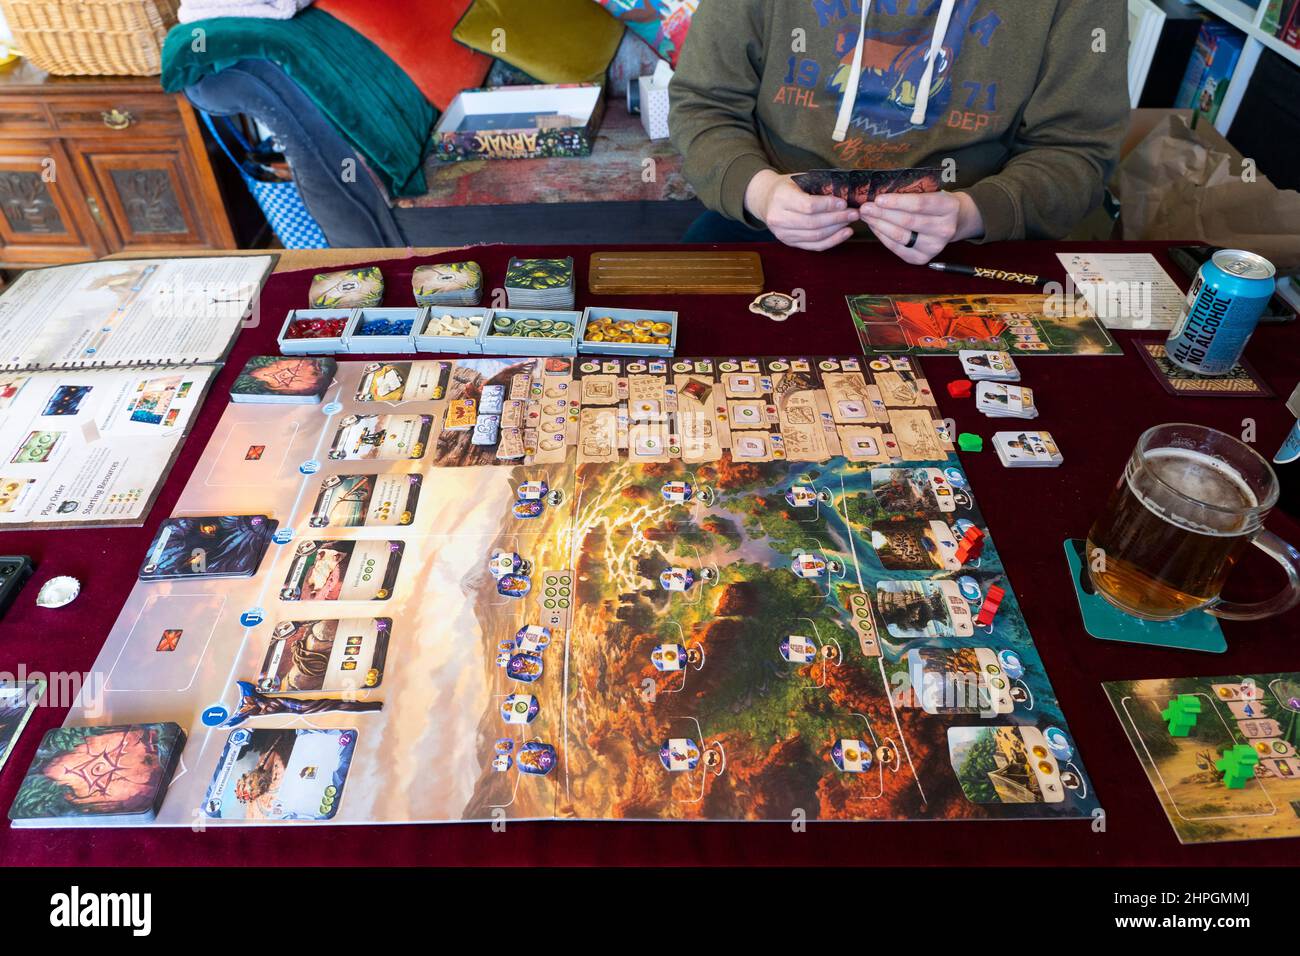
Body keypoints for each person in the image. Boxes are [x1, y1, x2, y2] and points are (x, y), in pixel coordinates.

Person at [668, 0, 1129, 262]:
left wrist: (973, 212)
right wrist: (762, 193)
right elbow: (704, 105)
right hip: (767, 226)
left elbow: (1078, 152)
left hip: (975, 239)